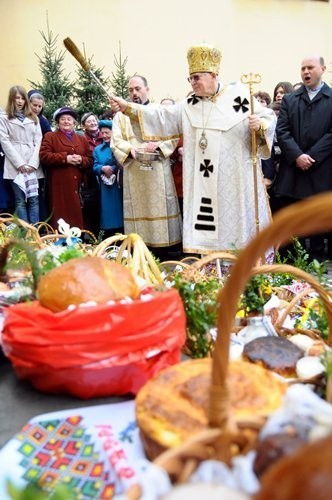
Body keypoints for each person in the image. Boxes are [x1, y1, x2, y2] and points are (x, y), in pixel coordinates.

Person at [110, 44, 276, 256]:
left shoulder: (238, 97)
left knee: (237, 225)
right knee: (208, 226)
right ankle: (211, 269)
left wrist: (260, 126)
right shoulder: (189, 105)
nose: (192, 82)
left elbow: (266, 117)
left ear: (213, 74)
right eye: (190, 78)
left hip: (235, 181)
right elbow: (162, 117)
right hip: (204, 180)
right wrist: (127, 107)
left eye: (197, 77)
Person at [111, 75, 182, 257]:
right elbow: (116, 140)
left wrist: (158, 145)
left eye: (137, 89)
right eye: (131, 90)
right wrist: (130, 150)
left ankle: (165, 249)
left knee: (161, 204)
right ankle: (138, 248)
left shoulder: (159, 111)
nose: (134, 93)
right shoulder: (120, 116)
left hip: (157, 169)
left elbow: (173, 135)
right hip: (134, 170)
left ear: (147, 89)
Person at [273, 55, 332, 260]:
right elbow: (282, 131)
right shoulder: (291, 99)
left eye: (310, 68)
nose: (306, 72)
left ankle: (316, 261)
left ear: (323, 69)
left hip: (321, 169)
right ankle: (289, 260)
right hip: (294, 169)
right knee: (292, 217)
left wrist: (312, 156)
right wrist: (297, 156)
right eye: (303, 68)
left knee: (315, 218)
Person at [39, 106, 93, 230]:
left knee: (77, 218)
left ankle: (78, 242)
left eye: (69, 119)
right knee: (61, 216)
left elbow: (89, 159)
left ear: (74, 122)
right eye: (63, 119)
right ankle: (60, 242)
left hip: (77, 186)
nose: (66, 121)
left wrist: (81, 160)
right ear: (57, 122)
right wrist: (65, 158)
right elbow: (44, 156)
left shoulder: (81, 139)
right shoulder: (50, 136)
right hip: (59, 186)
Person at [0, 85, 43, 224]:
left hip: (32, 163)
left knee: (34, 199)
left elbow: (38, 141)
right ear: (11, 99)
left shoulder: (34, 117)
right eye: (16, 98)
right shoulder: (4, 118)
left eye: (22, 98)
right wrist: (20, 164)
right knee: (19, 200)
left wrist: (32, 163)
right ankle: (25, 232)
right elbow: (5, 141)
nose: (19, 101)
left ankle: (35, 231)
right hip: (15, 164)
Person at [93, 119, 123, 238]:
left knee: (120, 209)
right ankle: (108, 236)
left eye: (107, 132)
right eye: (102, 133)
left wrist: (114, 168)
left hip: (119, 182)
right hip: (105, 186)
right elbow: (94, 166)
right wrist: (102, 168)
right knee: (108, 211)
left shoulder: (119, 146)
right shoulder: (97, 149)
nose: (104, 135)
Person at [28, 90, 52, 222]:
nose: (37, 108)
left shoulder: (43, 121)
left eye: (39, 106)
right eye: (34, 105)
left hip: (37, 163)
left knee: (37, 195)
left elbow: (47, 140)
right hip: (20, 162)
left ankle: (40, 225)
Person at [80, 112, 103, 237]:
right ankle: (92, 235)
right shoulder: (82, 139)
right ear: (84, 126)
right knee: (92, 206)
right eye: (89, 121)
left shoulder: (105, 135)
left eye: (94, 120)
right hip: (90, 177)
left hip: (107, 175)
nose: (93, 123)